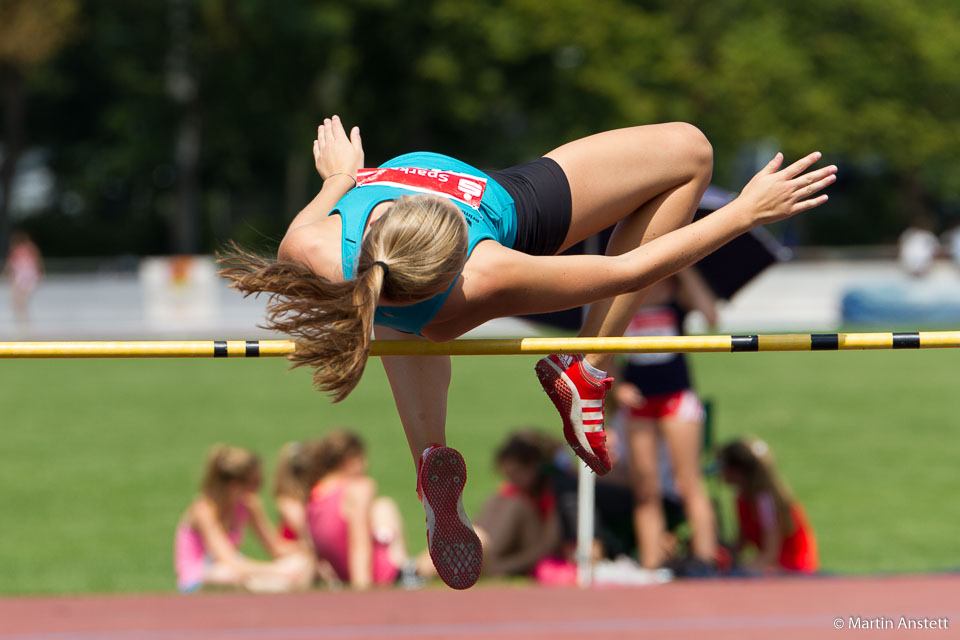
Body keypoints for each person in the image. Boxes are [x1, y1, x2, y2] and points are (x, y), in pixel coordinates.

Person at [219, 115, 836, 589]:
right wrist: (742, 213)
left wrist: (338, 177)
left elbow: (318, 217)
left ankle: (430, 460)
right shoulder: (486, 269)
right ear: (456, 250)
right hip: (507, 208)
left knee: (399, 327)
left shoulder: (317, 249)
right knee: (691, 151)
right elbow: (629, 270)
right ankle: (586, 368)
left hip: (400, 303)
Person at [613, 270, 718, 572]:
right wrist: (618, 387)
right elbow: (604, 348)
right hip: (639, 402)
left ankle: (706, 560)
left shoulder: (677, 292)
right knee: (645, 488)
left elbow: (711, 317)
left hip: (676, 396)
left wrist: (685, 268)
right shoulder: (623, 296)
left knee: (688, 481)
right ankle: (652, 564)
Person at [173, 445, 314, 593]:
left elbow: (275, 547)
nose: (258, 488)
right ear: (234, 485)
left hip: (237, 570)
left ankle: (272, 584)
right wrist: (276, 571)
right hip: (202, 576)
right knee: (224, 574)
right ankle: (274, 584)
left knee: (301, 561)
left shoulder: (248, 505)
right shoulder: (204, 510)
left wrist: (308, 549)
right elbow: (228, 559)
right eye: (255, 482)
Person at [305, 429, 427, 589]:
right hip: (389, 576)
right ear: (351, 461)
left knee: (381, 507)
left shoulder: (313, 498)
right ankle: (410, 571)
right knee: (384, 507)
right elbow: (359, 544)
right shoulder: (358, 490)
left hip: (343, 577)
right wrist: (362, 589)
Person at [716, 437, 819, 574]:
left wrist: (740, 570)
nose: (719, 473)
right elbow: (740, 544)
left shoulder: (765, 502)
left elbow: (770, 555)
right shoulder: (743, 498)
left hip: (792, 569)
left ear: (737, 471)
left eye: (722, 467)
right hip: (776, 567)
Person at [473, 430, 563, 579]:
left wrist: (501, 568)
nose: (512, 479)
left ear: (533, 467)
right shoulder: (512, 490)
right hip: (499, 551)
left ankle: (476, 556)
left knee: (516, 505)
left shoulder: (552, 492)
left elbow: (547, 546)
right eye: (508, 474)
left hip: (528, 554)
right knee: (497, 500)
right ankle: (469, 549)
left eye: (516, 473)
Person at [272, 441, 340, 587]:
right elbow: (308, 536)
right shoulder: (289, 503)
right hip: (296, 555)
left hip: (305, 553)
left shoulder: (309, 498)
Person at [3, 231, 44, 328]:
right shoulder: (27, 249)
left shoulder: (25, 249)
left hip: (24, 277)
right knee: (19, 303)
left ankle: (24, 324)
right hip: (26, 277)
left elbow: (10, 266)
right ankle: (23, 324)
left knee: (19, 302)